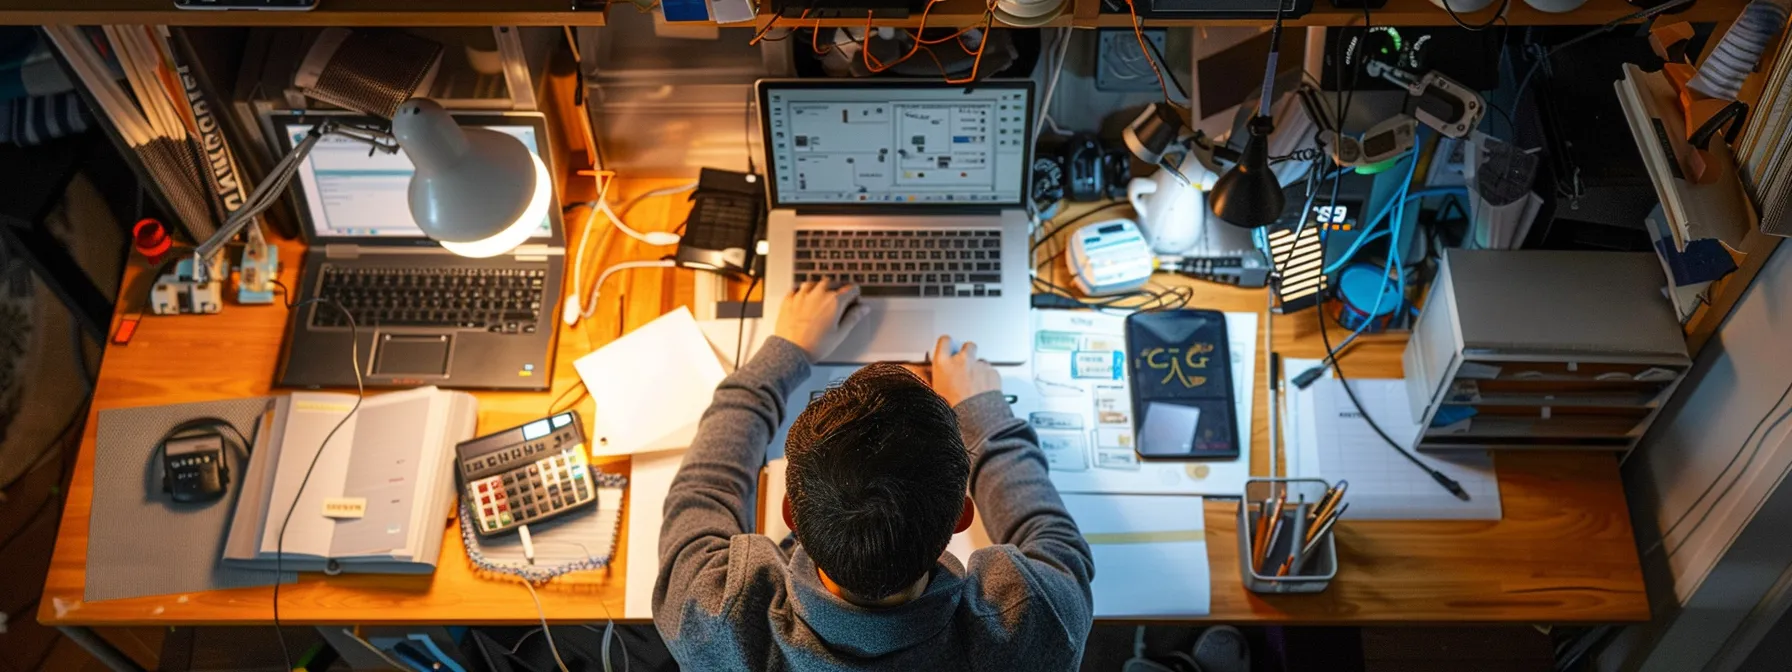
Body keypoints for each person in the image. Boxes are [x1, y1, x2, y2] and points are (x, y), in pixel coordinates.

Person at [653, 279, 1096, 670]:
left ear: (791, 513)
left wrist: (786, 350)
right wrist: (982, 414)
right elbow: (1056, 540)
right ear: (963, 516)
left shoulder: (710, 618)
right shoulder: (1038, 623)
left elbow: (702, 489)